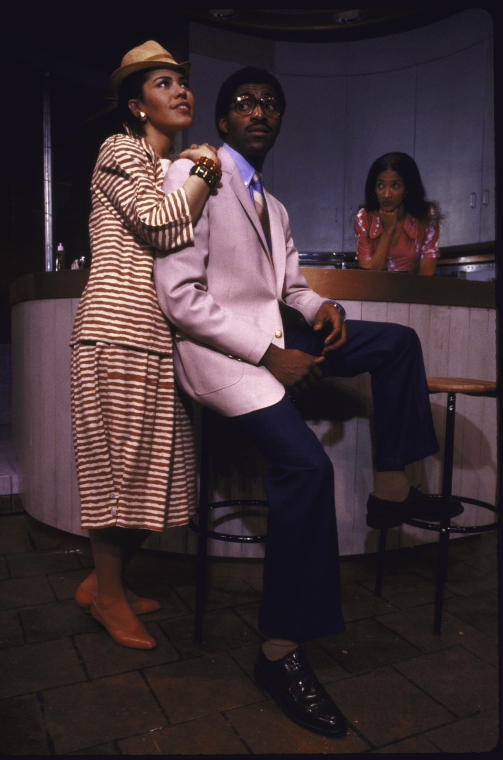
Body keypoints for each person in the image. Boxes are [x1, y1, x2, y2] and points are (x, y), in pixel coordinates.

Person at [154, 68, 442, 738]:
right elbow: (179, 299)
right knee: (307, 469)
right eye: (244, 103)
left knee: (395, 343)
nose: (259, 111)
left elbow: (290, 284)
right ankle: (278, 654)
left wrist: (323, 307)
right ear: (223, 122)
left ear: (278, 121)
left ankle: (392, 489)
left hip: (276, 333)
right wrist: (268, 354)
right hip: (222, 354)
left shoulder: (271, 205)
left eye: (270, 104)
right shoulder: (191, 177)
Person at [70, 41, 222, 651]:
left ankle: (102, 585)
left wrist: (193, 170)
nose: (180, 91)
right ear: (136, 106)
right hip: (116, 330)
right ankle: (108, 598)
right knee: (119, 474)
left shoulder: (166, 166)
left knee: (156, 479)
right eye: (163, 84)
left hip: (154, 336)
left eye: (181, 82)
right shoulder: (119, 150)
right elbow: (161, 224)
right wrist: (206, 171)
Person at [355, 152, 440, 275]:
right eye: (380, 185)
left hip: (414, 292)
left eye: (395, 185)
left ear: (407, 188)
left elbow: (426, 276)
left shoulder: (427, 215)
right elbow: (369, 278)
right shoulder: (364, 217)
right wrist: (388, 230)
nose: (386, 194)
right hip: (375, 293)